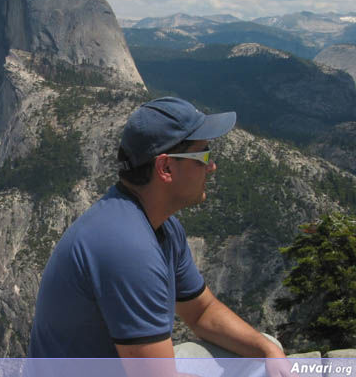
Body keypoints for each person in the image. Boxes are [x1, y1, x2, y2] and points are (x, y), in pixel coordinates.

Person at [28, 97, 290, 372]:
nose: (212, 166)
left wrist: (268, 349)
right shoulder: (126, 247)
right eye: (204, 156)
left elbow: (202, 312)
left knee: (265, 351)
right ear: (165, 168)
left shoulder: (162, 227)